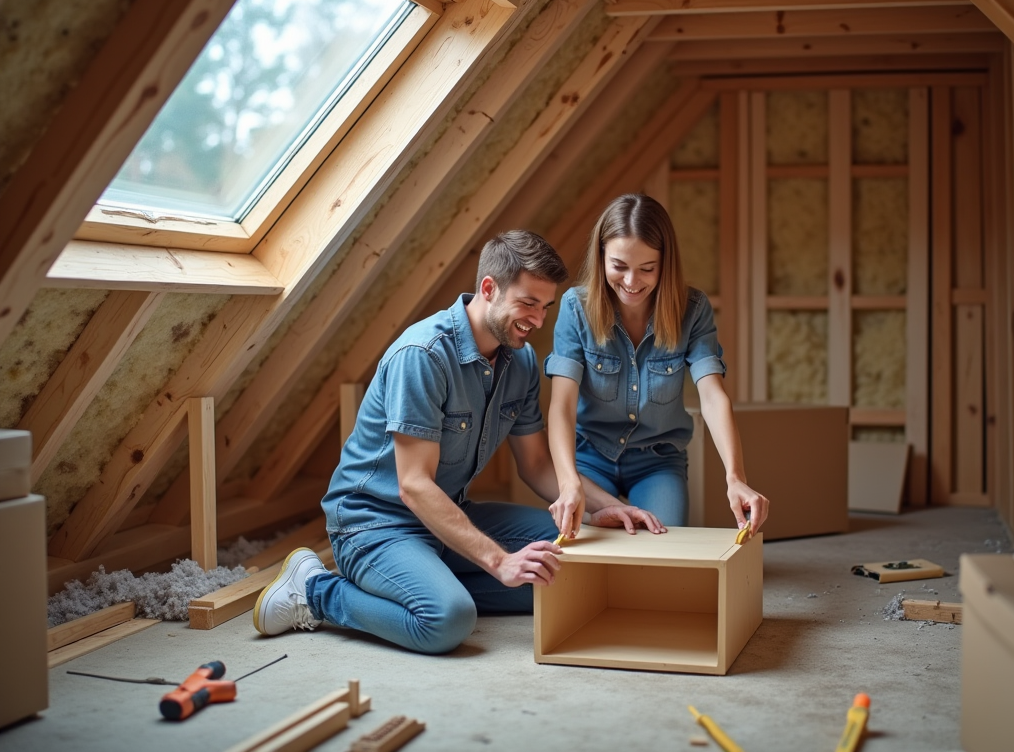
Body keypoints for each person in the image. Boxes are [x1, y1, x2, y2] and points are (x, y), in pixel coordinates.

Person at [252, 230, 663, 654]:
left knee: (565, 573)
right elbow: (413, 485)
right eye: (527, 303)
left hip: (446, 515)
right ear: (489, 288)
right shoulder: (423, 355)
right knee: (447, 620)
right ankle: (317, 591)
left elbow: (538, 464)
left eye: (545, 307)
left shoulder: (520, 362)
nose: (538, 320)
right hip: (375, 522)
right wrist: (499, 561)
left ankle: (433, 577)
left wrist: (607, 507)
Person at [545, 193, 769, 540]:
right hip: (589, 457)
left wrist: (735, 477)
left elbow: (713, 397)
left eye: (647, 268)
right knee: (583, 544)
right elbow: (561, 406)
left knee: (662, 545)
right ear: (601, 255)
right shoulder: (576, 307)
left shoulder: (692, 309)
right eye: (619, 266)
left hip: (657, 460)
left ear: (665, 264)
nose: (632, 282)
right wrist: (568, 481)